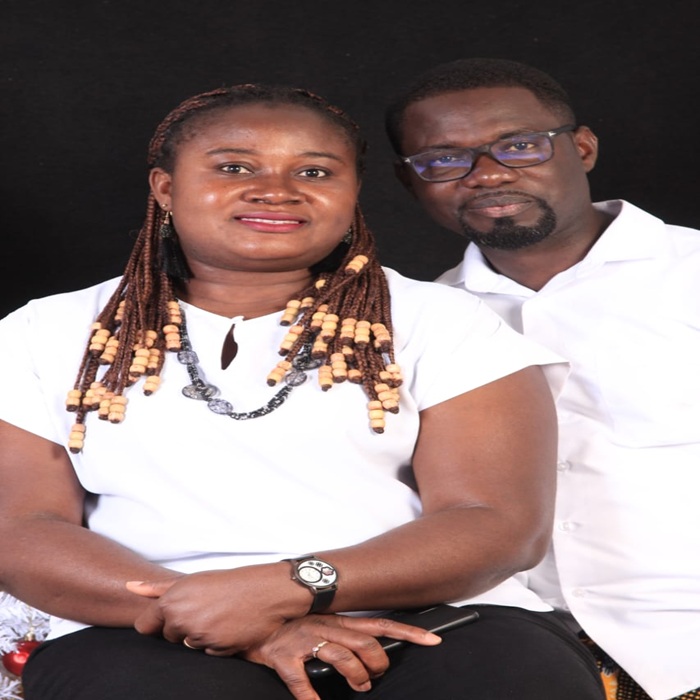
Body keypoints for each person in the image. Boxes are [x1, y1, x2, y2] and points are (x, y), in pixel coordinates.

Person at [0, 82, 604, 700]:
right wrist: (217, 614)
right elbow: (22, 529)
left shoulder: (444, 321)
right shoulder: (45, 331)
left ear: (352, 194)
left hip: (429, 617)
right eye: (234, 167)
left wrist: (289, 589)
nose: (276, 190)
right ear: (165, 188)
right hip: (144, 624)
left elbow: (495, 521)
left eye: (314, 171)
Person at [384, 57, 700, 700]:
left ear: (582, 148)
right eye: (444, 159)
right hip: (522, 656)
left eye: (520, 145)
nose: (488, 173)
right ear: (410, 181)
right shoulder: (412, 325)